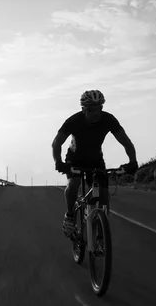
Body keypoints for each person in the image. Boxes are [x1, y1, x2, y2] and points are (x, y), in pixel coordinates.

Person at [51, 89, 138, 237]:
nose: (96, 113)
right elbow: (56, 143)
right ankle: (70, 215)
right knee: (74, 184)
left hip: (96, 159)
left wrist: (132, 162)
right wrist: (58, 162)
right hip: (74, 158)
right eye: (92, 109)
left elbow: (126, 142)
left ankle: (101, 231)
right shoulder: (74, 121)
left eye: (99, 108)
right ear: (84, 109)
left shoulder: (108, 120)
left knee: (103, 194)